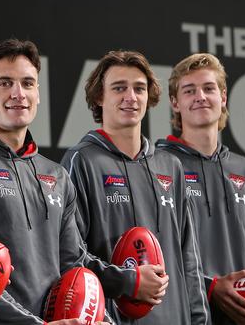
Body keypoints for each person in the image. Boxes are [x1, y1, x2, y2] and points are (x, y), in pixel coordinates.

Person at [0, 39, 125, 324]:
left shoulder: (56, 174)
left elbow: (73, 264)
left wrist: (102, 319)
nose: (18, 94)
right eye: (5, 83)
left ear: (38, 93)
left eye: (28, 83)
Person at [60, 50, 210, 324]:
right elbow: (70, 256)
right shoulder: (81, 160)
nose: (131, 97)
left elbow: (189, 257)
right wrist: (129, 281)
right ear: (98, 97)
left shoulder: (170, 166)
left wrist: (200, 319)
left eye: (139, 88)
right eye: (119, 88)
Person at [155, 53, 245, 325]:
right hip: (183, 316)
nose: (200, 96)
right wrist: (210, 286)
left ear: (223, 97)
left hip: (243, 317)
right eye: (189, 90)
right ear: (175, 103)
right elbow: (156, 252)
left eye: (209, 88)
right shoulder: (158, 165)